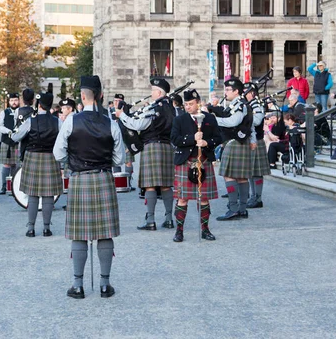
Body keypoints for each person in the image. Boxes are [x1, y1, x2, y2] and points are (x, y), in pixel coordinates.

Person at [54, 75, 125, 299]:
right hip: (103, 179)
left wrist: (73, 161)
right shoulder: (111, 123)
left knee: (79, 234)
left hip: (79, 179)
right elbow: (119, 158)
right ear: (101, 95)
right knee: (105, 233)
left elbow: (58, 154)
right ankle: (105, 285)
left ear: (82, 96)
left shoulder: (71, 121)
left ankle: (78, 286)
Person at [115, 78, 176, 230]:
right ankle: (169, 219)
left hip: (152, 147)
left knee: (150, 185)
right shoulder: (171, 108)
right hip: (167, 147)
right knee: (166, 185)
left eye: (153, 90)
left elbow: (137, 124)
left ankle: (150, 220)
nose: (151, 93)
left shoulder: (154, 108)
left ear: (159, 92)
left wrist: (122, 115)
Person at [170, 89, 221, 242]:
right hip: (185, 161)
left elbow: (218, 137)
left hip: (203, 160)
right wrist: (192, 138)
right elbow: (174, 139)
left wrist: (207, 142)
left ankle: (205, 229)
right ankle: (179, 231)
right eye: (186, 104)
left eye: (191, 104)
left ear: (198, 102)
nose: (188, 107)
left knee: (204, 198)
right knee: (182, 198)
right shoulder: (179, 120)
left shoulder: (209, 118)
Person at [11, 92, 63, 237]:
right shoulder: (57, 121)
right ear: (50, 105)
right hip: (50, 157)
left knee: (32, 194)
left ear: (39, 105)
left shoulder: (30, 121)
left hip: (32, 157)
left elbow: (15, 137)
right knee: (48, 194)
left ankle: (31, 228)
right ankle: (46, 228)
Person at [211, 78, 252, 220]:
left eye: (228, 90)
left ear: (236, 91)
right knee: (241, 177)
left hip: (234, 142)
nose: (226, 92)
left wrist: (213, 119)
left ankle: (234, 208)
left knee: (230, 175)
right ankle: (242, 209)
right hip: (238, 142)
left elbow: (234, 122)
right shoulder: (236, 104)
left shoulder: (240, 105)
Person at [243, 82, 271, 209]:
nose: (244, 94)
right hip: (250, 140)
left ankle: (258, 198)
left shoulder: (256, 105)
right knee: (251, 171)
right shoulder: (248, 105)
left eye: (246, 92)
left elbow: (257, 120)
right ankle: (253, 196)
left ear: (251, 93)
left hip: (257, 140)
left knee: (257, 172)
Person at [0, 93, 20, 195]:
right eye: (11, 100)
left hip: (19, 141)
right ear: (8, 102)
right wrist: (8, 131)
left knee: (16, 164)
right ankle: (4, 186)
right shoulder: (4, 112)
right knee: (6, 164)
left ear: (19, 101)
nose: (14, 102)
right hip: (6, 141)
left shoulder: (22, 111)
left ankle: (14, 186)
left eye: (15, 100)